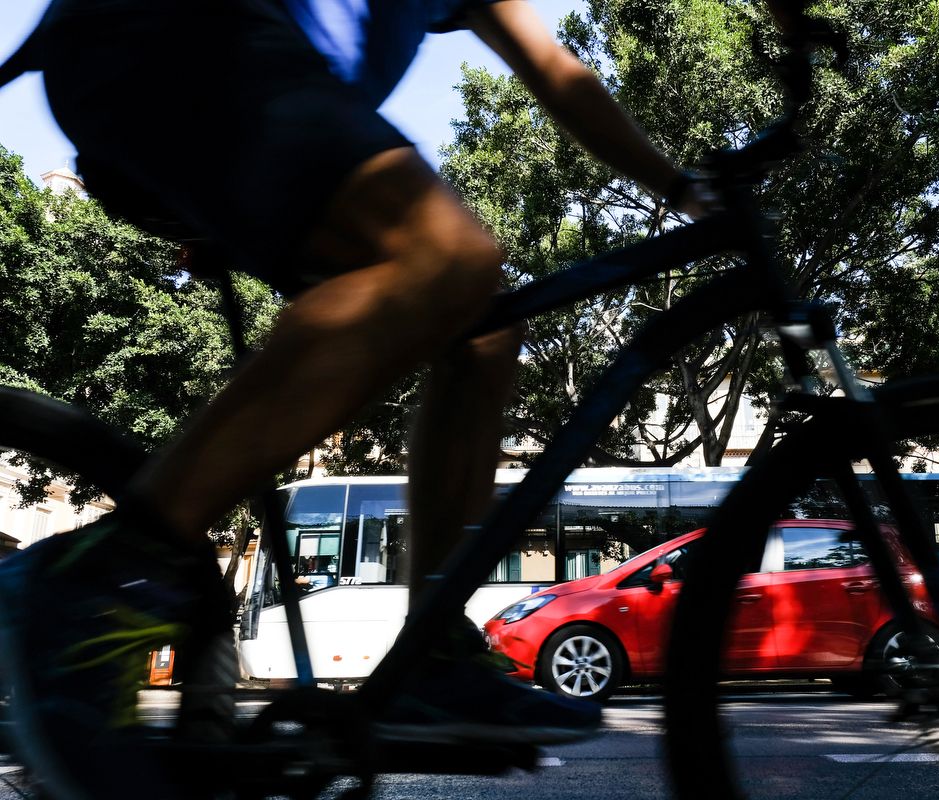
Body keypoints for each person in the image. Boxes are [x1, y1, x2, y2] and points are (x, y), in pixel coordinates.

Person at [0, 0, 716, 796]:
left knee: (482, 330)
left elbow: (557, 74)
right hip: (173, 38)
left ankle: (432, 651)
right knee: (444, 256)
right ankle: (95, 579)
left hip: (217, 83)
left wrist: (681, 187)